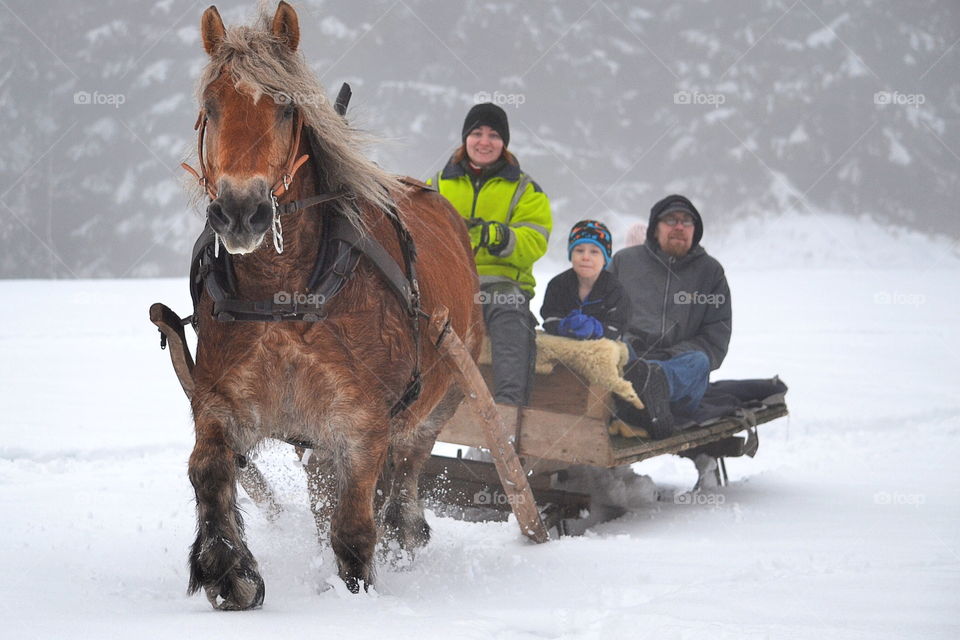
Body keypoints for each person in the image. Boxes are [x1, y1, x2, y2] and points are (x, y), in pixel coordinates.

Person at [429, 103, 552, 406]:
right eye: (477, 133)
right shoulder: (437, 183)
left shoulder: (526, 190)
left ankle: (509, 407)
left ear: (504, 143)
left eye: (494, 135)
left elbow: (535, 240)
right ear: (465, 139)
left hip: (501, 285)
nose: (484, 141)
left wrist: (496, 235)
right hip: (449, 283)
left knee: (511, 319)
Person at [608, 194, 731, 438]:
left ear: (695, 231)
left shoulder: (710, 272)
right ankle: (645, 390)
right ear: (655, 229)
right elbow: (605, 315)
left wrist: (666, 359)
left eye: (687, 222)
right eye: (671, 220)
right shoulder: (624, 262)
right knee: (616, 348)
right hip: (631, 363)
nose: (679, 226)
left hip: (679, 377)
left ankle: (657, 385)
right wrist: (630, 344)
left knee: (699, 362)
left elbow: (715, 339)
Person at [541, 220, 629, 341]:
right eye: (579, 250)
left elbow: (617, 328)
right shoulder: (557, 285)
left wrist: (596, 329)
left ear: (605, 259)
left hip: (602, 348)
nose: (586, 257)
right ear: (570, 254)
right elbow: (549, 318)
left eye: (594, 252)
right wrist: (564, 326)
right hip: (564, 344)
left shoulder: (615, 290)